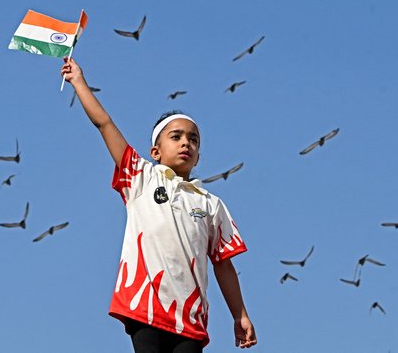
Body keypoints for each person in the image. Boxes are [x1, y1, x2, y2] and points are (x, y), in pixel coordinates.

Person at [60, 58, 257, 353]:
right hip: (145, 305)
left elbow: (223, 263)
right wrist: (78, 81)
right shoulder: (141, 177)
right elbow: (104, 123)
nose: (185, 143)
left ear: (199, 155)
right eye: (175, 137)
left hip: (190, 318)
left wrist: (239, 314)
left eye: (193, 139)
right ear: (156, 151)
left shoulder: (210, 203)